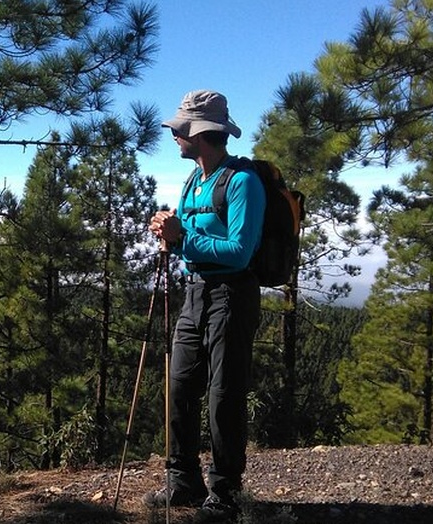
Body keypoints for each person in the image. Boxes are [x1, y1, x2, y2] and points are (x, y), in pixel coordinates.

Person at [143, 90, 265, 522]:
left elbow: (239, 250)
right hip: (196, 292)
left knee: (223, 395)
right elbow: (188, 247)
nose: (174, 134)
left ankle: (226, 491)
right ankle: (182, 481)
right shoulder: (193, 181)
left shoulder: (242, 182)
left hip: (232, 294)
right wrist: (169, 236)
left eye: (180, 128)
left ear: (200, 132)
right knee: (179, 387)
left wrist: (183, 236)